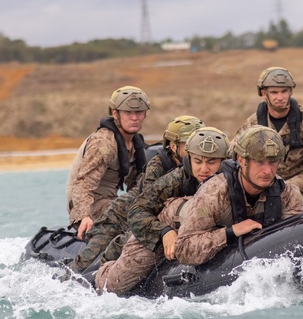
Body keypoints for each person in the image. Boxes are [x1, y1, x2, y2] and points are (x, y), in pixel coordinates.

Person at [94, 127, 229, 295]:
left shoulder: (230, 181)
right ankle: (100, 273)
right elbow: (138, 210)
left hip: (194, 233)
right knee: (115, 285)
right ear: (189, 159)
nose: (204, 169)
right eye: (198, 161)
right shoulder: (175, 180)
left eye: (211, 162)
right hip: (156, 233)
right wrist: (164, 231)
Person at [67, 115, 204, 273]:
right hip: (123, 216)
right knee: (92, 260)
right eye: (189, 146)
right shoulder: (158, 167)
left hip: (150, 217)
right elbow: (147, 210)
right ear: (173, 147)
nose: (197, 151)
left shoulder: (203, 165)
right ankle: (76, 276)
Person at [174, 126, 303, 266]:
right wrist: (229, 233)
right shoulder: (214, 192)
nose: (268, 171)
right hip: (179, 215)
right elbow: (183, 249)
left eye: (273, 162)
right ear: (242, 160)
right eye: (259, 162)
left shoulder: (285, 191)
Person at [235, 67, 303, 207]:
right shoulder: (252, 124)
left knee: (284, 188)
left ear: (290, 91)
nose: (280, 97)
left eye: (284, 91)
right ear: (263, 94)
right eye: (274, 92)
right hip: (267, 180)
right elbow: (234, 156)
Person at [66, 86, 150, 240]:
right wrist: (84, 216)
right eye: (128, 112)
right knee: (137, 214)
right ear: (115, 113)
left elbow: (137, 187)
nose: (134, 117)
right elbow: (82, 184)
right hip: (90, 206)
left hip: (111, 201)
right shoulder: (104, 143)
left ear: (145, 114)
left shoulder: (135, 144)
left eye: (139, 112)